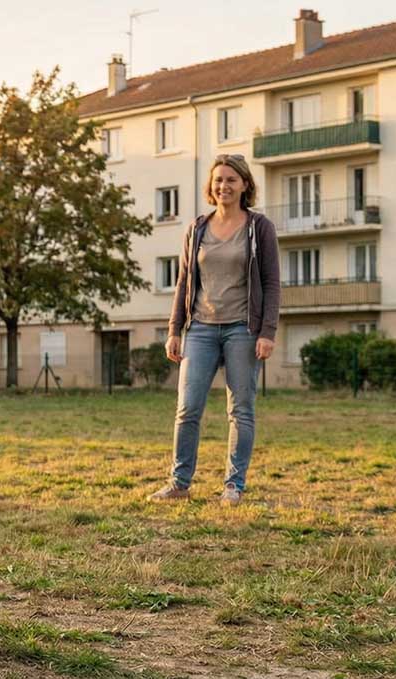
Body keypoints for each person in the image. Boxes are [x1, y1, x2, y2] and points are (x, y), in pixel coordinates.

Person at [151, 154, 279, 506]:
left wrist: (267, 331)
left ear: (245, 185)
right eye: (218, 179)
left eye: (231, 180)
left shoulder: (259, 228)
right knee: (187, 408)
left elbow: (271, 283)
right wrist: (174, 329)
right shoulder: (197, 229)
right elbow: (183, 282)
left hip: (243, 329)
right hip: (200, 329)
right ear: (211, 185)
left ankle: (233, 486)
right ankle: (179, 483)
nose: (224, 186)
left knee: (240, 410)